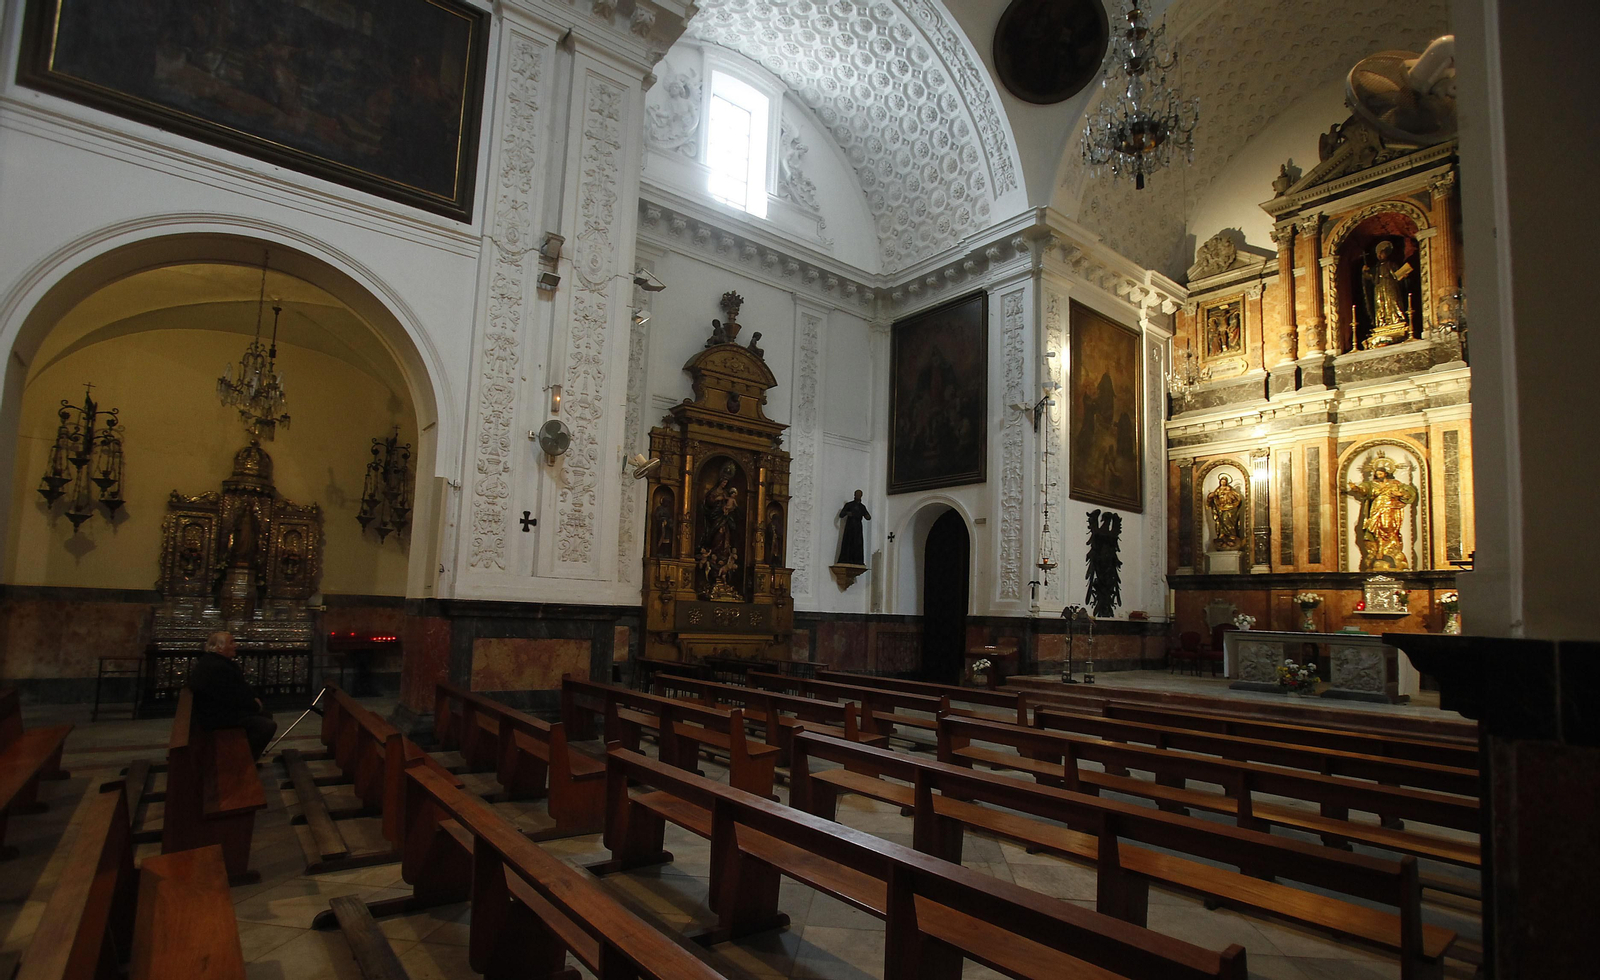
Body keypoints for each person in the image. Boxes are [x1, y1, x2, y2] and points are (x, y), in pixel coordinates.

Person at [188, 630, 277, 760]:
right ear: (219, 648)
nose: (235, 645)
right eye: (231, 642)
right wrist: (254, 706)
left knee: (265, 716)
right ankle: (243, 761)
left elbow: (240, 689)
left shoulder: (217, 662)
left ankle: (244, 757)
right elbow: (233, 697)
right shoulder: (218, 667)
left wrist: (254, 699)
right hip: (215, 717)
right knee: (267, 726)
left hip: (216, 710)